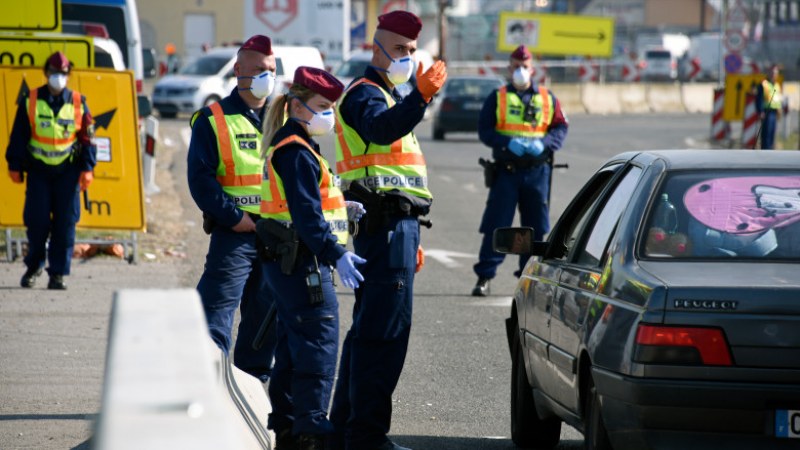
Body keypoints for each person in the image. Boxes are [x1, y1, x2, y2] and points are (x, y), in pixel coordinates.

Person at [329, 10, 447, 450]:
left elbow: (402, 177)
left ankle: (344, 430)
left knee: (368, 333)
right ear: (375, 48)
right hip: (385, 227)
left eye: (413, 52)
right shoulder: (365, 95)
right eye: (400, 50)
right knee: (385, 336)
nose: (408, 58)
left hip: (398, 227)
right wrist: (420, 97)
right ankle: (366, 436)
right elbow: (381, 132)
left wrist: (413, 233)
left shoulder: (389, 98)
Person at [258, 65, 366, 450]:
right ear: (298, 106)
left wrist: (342, 206)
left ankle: (288, 426)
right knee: (319, 344)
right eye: (323, 105)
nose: (330, 115)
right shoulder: (296, 152)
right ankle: (311, 430)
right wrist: (337, 254)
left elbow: (306, 204)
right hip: (304, 264)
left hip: (290, 262)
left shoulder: (296, 146)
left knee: (292, 346)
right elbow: (305, 217)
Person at [186, 35, 278, 381]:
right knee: (215, 313)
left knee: (265, 318)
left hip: (274, 233)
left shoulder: (283, 119)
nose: (266, 77)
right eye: (257, 70)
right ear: (238, 70)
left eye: (270, 70)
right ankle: (209, 385)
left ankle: (252, 387)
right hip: (235, 233)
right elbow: (201, 180)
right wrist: (234, 217)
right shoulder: (212, 119)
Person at [471, 44, 569, 296]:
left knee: (536, 227)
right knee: (496, 223)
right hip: (507, 171)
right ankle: (484, 276)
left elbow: (560, 127)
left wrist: (544, 144)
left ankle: (528, 279)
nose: (521, 71)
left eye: (525, 67)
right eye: (516, 66)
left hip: (537, 171)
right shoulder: (498, 97)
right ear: (509, 67)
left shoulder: (548, 98)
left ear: (532, 68)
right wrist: (506, 143)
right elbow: (484, 130)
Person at [5, 51, 96, 290]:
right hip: (39, 172)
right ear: (46, 73)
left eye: (63, 73)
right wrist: (14, 163)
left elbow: (87, 138)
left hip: (68, 172)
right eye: (54, 73)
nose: (59, 77)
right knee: (37, 223)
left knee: (65, 225)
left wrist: (88, 168)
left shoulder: (78, 102)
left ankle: (58, 274)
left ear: (69, 75)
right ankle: (33, 267)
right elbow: (18, 136)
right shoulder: (31, 100)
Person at [756, 64, 783, 150]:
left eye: (775, 73)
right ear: (768, 73)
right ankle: (765, 152)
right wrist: (760, 111)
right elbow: (759, 99)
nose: (773, 74)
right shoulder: (764, 84)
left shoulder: (777, 85)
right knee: (766, 135)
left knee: (772, 134)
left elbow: (778, 99)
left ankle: (770, 151)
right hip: (766, 112)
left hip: (774, 112)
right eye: (772, 72)